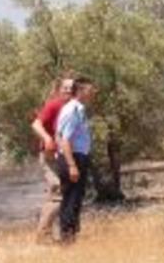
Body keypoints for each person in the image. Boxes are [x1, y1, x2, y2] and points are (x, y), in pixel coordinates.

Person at [30, 75, 74, 243]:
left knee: (62, 195)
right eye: (65, 88)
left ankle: (60, 233)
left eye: (72, 88)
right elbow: (36, 124)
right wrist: (47, 139)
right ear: (59, 89)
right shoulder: (54, 105)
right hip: (50, 157)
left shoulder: (73, 108)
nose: (69, 91)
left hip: (65, 156)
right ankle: (42, 235)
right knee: (58, 192)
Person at [55, 77, 95, 243]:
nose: (93, 93)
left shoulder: (78, 109)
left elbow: (58, 135)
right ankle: (67, 239)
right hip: (73, 157)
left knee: (75, 197)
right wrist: (72, 165)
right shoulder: (73, 110)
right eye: (90, 90)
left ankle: (70, 236)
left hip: (77, 156)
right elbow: (65, 140)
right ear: (80, 91)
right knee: (71, 198)